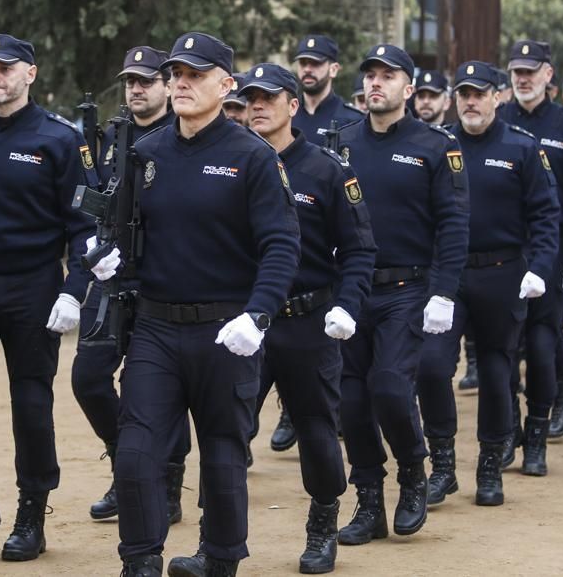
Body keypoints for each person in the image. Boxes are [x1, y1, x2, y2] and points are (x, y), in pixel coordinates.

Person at [96, 32, 300, 577]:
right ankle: (139, 561)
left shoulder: (253, 158)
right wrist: (107, 257)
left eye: (195, 74)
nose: (181, 83)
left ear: (225, 84)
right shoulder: (148, 153)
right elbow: (126, 231)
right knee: (137, 452)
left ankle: (220, 558)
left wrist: (258, 314)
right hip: (157, 328)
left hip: (225, 329)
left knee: (222, 454)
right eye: (176, 75)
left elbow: (282, 243)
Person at [0, 34, 98, 562]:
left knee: (32, 403)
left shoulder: (57, 138)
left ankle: (32, 510)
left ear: (30, 73)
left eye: (5, 68)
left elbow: (83, 225)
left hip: (35, 286)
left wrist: (75, 290)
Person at [240, 62, 377, 573]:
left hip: (306, 320)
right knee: (227, 426)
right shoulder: (235, 161)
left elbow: (361, 248)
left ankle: (322, 523)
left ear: (292, 106)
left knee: (317, 429)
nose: (257, 106)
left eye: (268, 98)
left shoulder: (326, 169)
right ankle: (221, 533)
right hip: (245, 321)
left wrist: (347, 304)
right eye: (250, 97)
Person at [331, 44, 470, 545]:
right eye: (370, 75)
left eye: (388, 76)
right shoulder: (341, 143)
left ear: (408, 89)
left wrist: (444, 292)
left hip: (408, 290)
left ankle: (413, 470)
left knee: (389, 387)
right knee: (349, 401)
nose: (376, 83)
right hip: (350, 290)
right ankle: (369, 500)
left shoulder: (436, 145)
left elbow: (454, 223)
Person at [415, 60, 559, 504]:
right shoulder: (440, 146)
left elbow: (546, 214)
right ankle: (441, 463)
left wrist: (539, 266)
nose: (471, 102)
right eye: (464, 94)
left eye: (480, 93)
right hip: (448, 274)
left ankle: (491, 463)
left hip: (502, 273)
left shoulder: (522, 148)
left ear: (499, 97)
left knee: (497, 371)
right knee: (432, 365)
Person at [75, 46, 191, 525]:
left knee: (165, 389)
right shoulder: (113, 134)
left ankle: (165, 478)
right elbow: (100, 194)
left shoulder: (180, 135)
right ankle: (129, 464)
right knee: (88, 378)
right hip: (111, 275)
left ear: (166, 85)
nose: (136, 89)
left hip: (163, 278)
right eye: (130, 82)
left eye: (146, 80)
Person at [496, 40, 563, 451]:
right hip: (503, 252)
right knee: (502, 345)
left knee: (544, 340)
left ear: (547, 75)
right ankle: (506, 426)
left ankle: (553, 404)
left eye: (530, 71)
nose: (522, 78)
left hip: (552, 250)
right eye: (516, 71)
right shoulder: (497, 117)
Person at [292, 35, 364, 145]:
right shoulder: (287, 114)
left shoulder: (352, 120)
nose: (307, 69)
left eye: (315, 63)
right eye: (303, 63)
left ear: (333, 69)